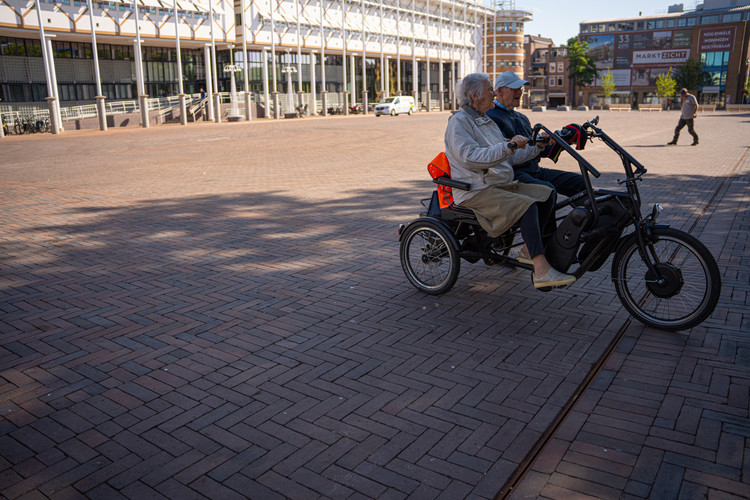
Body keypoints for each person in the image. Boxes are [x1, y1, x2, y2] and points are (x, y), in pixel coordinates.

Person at [444, 73, 576, 288]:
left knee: (546, 193)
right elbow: (470, 157)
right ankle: (541, 270)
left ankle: (528, 251)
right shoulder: (459, 122)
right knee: (527, 205)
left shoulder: (485, 120)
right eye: (489, 90)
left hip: (497, 183)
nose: (494, 93)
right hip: (476, 190)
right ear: (475, 95)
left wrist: (536, 147)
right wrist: (508, 145)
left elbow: (511, 156)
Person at [486, 71, 585, 198]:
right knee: (548, 191)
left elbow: (536, 149)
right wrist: (537, 144)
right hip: (514, 173)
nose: (520, 92)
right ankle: (547, 218)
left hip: (534, 170)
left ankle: (583, 217)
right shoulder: (492, 117)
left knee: (580, 182)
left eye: (520, 89)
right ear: (499, 91)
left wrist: (562, 139)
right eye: (515, 89)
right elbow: (504, 155)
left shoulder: (522, 117)